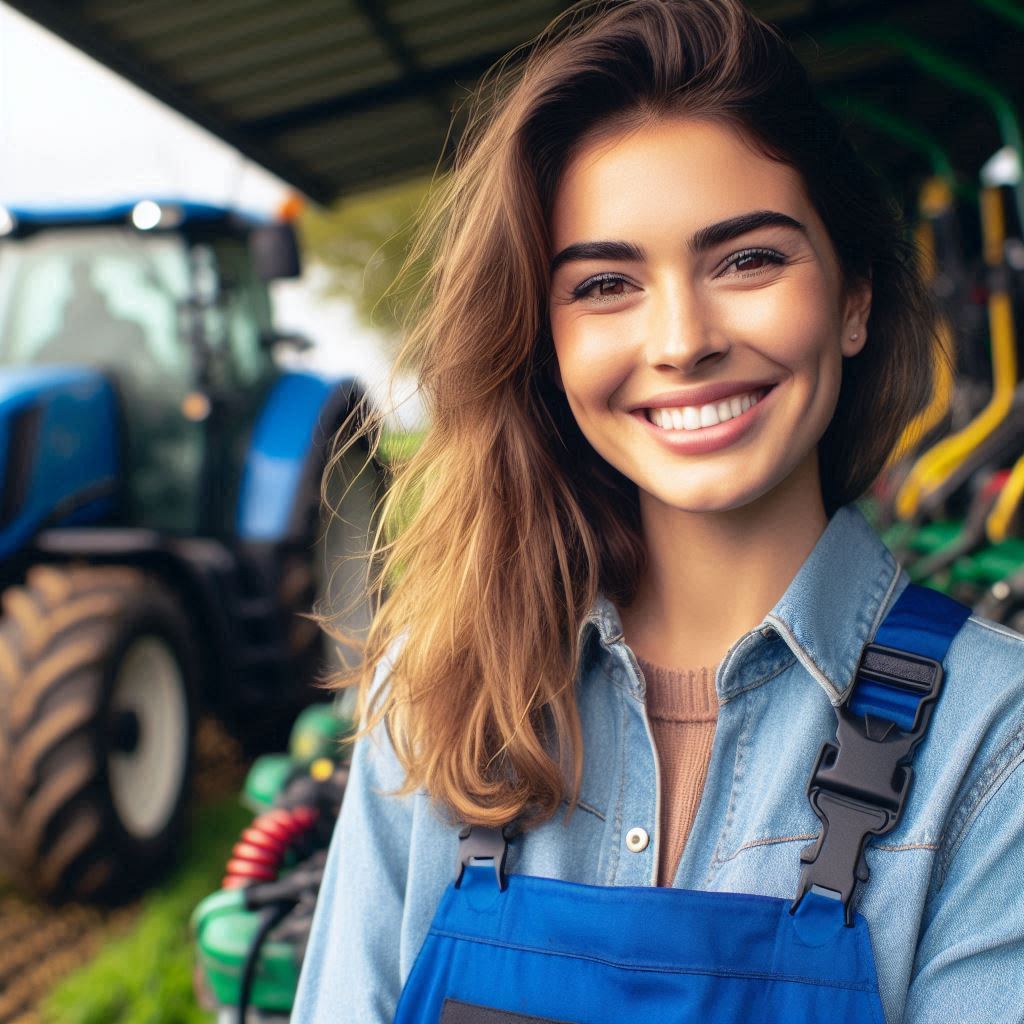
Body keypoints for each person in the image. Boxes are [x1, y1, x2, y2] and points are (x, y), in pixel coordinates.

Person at [291, 2, 1024, 1022]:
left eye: (747, 260)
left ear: (854, 295)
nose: (681, 339)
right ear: (542, 342)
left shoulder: (995, 746)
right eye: (604, 283)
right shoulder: (439, 696)